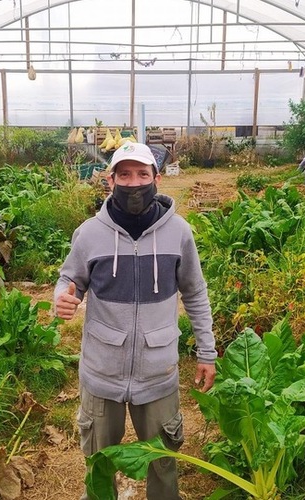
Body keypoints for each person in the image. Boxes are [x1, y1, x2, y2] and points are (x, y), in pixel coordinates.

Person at [54, 142, 217, 500]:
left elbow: (195, 293)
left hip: (158, 373)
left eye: (142, 174)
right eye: (124, 174)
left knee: (162, 462)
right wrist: (63, 298)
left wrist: (207, 352)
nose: (134, 183)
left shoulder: (179, 233)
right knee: (97, 464)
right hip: (101, 373)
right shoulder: (89, 233)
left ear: (157, 178)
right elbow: (71, 279)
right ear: (110, 180)